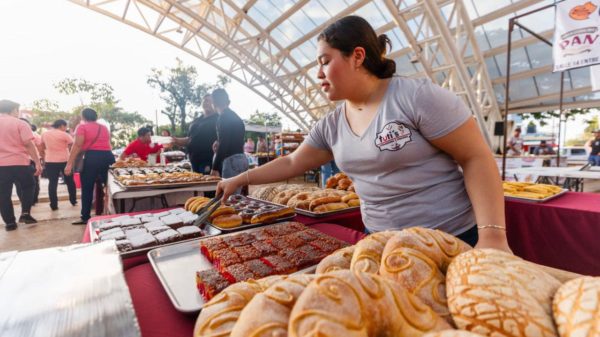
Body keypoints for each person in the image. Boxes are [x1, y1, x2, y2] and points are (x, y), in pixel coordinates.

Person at [216, 16, 510, 252]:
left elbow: (476, 157)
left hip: (452, 239)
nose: (318, 74)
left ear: (357, 56)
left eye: (324, 61)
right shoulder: (331, 125)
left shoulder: (416, 98)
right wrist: (239, 179)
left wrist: (493, 238)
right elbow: (293, 163)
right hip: (380, 243)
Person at [64, 108, 114, 225]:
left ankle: (85, 217)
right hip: (108, 156)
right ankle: (112, 213)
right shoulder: (104, 127)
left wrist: (69, 163)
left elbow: (77, 145)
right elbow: (108, 143)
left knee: (87, 188)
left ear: (83, 117)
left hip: (91, 157)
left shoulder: (82, 127)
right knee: (109, 187)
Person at [0, 100, 41, 231]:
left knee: (3, 194)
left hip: (1, 166)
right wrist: (38, 162)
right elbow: (29, 144)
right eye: (17, 110)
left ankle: (10, 223)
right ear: (13, 110)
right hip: (20, 163)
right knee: (29, 185)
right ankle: (25, 213)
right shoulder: (20, 123)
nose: (18, 113)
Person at [172, 94, 218, 174]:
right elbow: (190, 139)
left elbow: (223, 138)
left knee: (206, 185)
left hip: (208, 161)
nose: (206, 102)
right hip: (194, 160)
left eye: (209, 101)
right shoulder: (197, 120)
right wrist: (176, 140)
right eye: (204, 100)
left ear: (214, 103)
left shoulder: (218, 118)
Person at [210, 88, 248, 184]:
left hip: (231, 160)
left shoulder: (222, 118)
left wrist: (214, 167)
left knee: (228, 196)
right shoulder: (236, 117)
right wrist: (218, 141)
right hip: (242, 158)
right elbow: (233, 139)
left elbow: (224, 144)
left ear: (213, 103)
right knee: (237, 195)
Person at [41, 119, 77, 210]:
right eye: (65, 127)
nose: (65, 128)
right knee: (70, 181)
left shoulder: (45, 134)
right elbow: (72, 144)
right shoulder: (64, 134)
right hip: (64, 160)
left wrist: (43, 157)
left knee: (52, 183)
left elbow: (42, 146)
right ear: (61, 126)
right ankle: (73, 200)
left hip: (50, 161)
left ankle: (53, 205)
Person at [15, 119, 42, 206]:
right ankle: (33, 200)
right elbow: (40, 146)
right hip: (32, 160)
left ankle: (23, 201)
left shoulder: (13, 133)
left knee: (18, 183)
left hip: (17, 161)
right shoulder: (35, 134)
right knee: (34, 181)